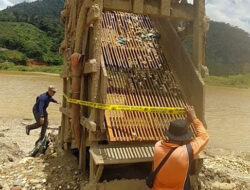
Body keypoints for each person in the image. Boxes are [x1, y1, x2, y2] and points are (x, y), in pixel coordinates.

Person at [153, 106, 209, 190]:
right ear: (184, 139)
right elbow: (204, 136)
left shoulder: (158, 146)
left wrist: (186, 124)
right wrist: (194, 118)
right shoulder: (187, 152)